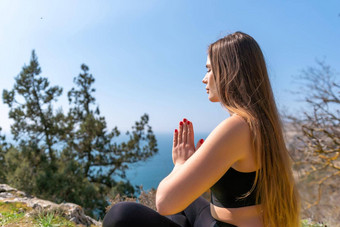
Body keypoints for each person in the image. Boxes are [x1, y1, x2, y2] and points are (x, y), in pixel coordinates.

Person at [102, 31, 300, 227]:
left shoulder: (237, 127)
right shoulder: (262, 124)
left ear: (229, 71)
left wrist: (180, 165)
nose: (204, 79)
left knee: (119, 214)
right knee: (187, 203)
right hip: (224, 221)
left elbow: (163, 203)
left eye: (209, 70)